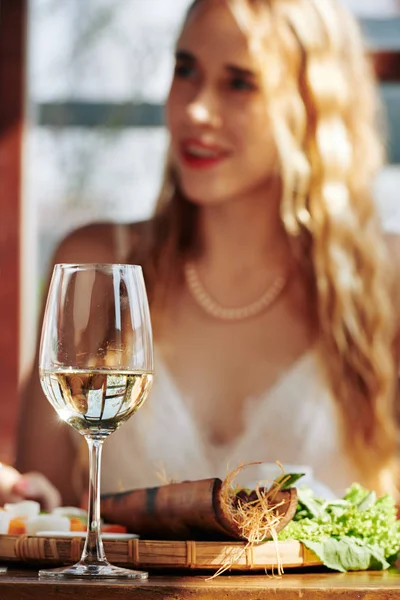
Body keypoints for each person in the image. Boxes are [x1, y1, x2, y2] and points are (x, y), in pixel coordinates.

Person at [11, 0, 400, 508]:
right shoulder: (98, 266)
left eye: (239, 82)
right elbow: (43, 511)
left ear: (311, 104)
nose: (195, 109)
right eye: (185, 70)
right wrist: (24, 499)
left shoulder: (385, 278)